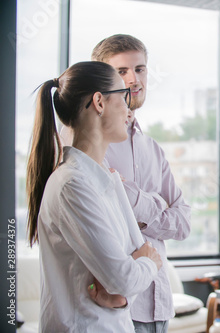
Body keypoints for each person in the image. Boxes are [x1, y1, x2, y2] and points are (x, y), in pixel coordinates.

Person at [61, 34, 191, 332]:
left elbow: (183, 223)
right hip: (112, 304)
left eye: (140, 69)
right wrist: (157, 205)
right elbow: (102, 212)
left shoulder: (152, 148)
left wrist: (134, 202)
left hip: (158, 305)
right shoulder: (83, 142)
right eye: (121, 71)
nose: (134, 79)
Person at [26, 61, 163, 332]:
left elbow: (124, 282)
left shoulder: (105, 178)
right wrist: (151, 263)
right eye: (124, 96)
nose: (129, 108)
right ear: (99, 102)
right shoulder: (72, 185)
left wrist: (123, 295)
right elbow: (126, 275)